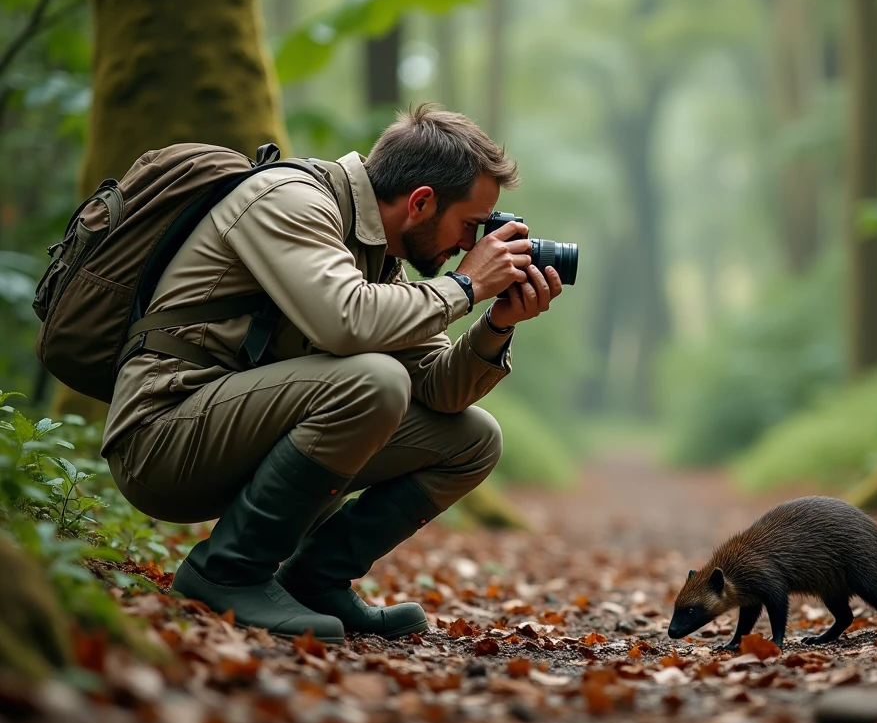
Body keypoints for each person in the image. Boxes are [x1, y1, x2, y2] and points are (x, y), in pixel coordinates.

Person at [101, 104, 562, 643]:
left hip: (229, 436)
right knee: (374, 380)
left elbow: (440, 389)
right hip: (162, 438)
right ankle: (227, 572)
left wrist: (497, 323)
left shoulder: (379, 257)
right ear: (420, 202)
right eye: (470, 225)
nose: (472, 244)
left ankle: (314, 582)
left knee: (473, 439)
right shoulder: (289, 201)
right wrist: (463, 287)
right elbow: (345, 321)